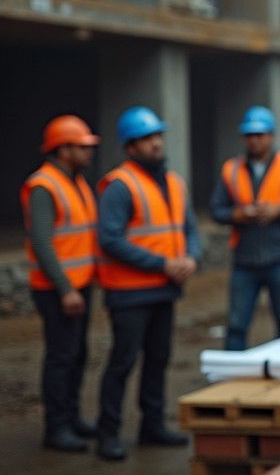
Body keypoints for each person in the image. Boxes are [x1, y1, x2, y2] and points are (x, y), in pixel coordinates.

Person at [95, 106, 201, 461]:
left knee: (159, 359)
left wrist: (191, 258)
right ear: (130, 147)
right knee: (123, 362)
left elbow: (188, 229)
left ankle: (151, 426)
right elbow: (110, 239)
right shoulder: (120, 186)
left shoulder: (174, 182)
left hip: (164, 289)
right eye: (146, 139)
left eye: (157, 136)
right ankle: (108, 433)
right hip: (129, 293)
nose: (156, 143)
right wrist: (163, 264)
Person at [20, 115, 100, 452]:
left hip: (80, 285)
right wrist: (65, 288)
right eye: (82, 147)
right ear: (63, 149)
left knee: (77, 354)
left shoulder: (75, 181)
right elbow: (41, 242)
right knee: (60, 357)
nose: (88, 152)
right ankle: (57, 428)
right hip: (57, 290)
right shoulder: (44, 185)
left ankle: (72, 417)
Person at [210, 105, 280, 351]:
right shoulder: (232, 170)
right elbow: (216, 210)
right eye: (250, 135)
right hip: (245, 259)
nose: (255, 140)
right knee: (237, 324)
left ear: (271, 136)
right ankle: (231, 380)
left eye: (260, 135)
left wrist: (278, 211)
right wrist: (237, 214)